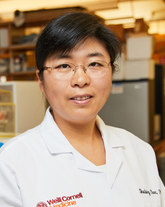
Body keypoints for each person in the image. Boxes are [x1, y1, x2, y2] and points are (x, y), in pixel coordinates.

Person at [0, 12, 164, 207]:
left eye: (94, 64)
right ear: (41, 81)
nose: (81, 80)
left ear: (112, 72)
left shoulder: (140, 151)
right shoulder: (12, 161)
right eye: (63, 65)